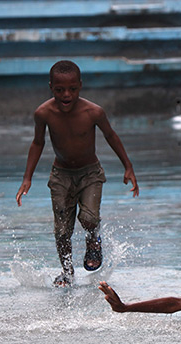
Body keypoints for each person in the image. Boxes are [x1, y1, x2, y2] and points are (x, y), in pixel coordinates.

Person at [16, 60, 139, 287]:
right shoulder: (43, 113)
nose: (66, 94)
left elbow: (111, 136)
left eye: (72, 89)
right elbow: (37, 143)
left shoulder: (93, 112)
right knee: (62, 229)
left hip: (90, 173)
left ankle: (93, 240)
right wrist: (27, 177)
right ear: (51, 87)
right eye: (60, 89)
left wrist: (128, 166)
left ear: (80, 86)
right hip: (61, 175)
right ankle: (67, 271)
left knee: (89, 218)